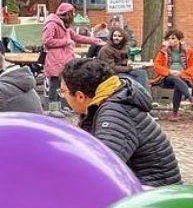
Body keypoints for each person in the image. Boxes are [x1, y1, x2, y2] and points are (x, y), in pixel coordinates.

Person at [61, 58, 182, 187]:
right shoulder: (108, 100)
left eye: (63, 92)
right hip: (144, 189)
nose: (62, 96)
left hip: (152, 196)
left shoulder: (115, 112)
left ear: (80, 96)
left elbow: (102, 168)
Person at [41, 2, 102, 105]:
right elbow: (47, 41)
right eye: (72, 12)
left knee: (63, 85)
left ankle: (61, 106)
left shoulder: (66, 26)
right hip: (55, 60)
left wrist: (94, 41)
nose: (73, 15)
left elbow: (77, 37)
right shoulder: (52, 24)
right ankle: (53, 107)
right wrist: (66, 41)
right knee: (55, 84)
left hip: (65, 60)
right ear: (67, 13)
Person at [151, 28, 193, 121]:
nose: (170, 41)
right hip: (166, 78)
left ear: (180, 40)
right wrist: (169, 71)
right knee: (175, 79)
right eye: (169, 39)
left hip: (185, 77)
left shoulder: (188, 51)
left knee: (178, 83)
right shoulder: (163, 51)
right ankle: (190, 98)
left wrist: (182, 73)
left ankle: (175, 114)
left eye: (173, 38)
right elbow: (157, 65)